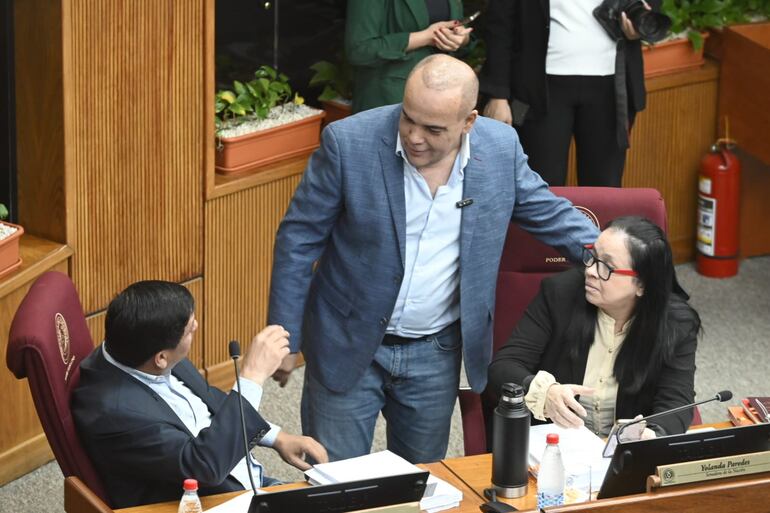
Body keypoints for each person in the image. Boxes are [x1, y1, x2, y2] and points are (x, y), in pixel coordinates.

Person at [267, 54, 600, 464]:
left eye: (433, 128)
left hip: (435, 350)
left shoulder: (500, 149)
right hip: (347, 339)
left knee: (419, 481)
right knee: (334, 480)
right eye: (408, 118)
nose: (414, 136)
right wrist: (284, 335)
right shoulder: (348, 143)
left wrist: (612, 258)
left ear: (469, 122)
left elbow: (549, 213)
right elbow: (299, 239)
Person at [72, 281, 327, 509]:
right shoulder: (117, 414)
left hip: (242, 478)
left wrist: (277, 437)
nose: (194, 325)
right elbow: (204, 467)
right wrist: (252, 376)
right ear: (161, 358)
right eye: (189, 329)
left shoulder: (134, 346)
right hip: (215, 500)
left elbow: (207, 399)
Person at [488, 216, 701, 439]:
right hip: (553, 443)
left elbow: (677, 402)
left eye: (606, 266)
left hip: (621, 451)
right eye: (592, 256)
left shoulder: (676, 323)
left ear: (642, 284)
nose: (590, 270)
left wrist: (651, 433)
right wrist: (546, 391)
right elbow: (504, 367)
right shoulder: (560, 294)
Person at [480, 0, 660, 186]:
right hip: (536, 89)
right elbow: (499, 24)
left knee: (605, 187)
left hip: (612, 88)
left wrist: (641, 21)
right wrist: (498, 95)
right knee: (541, 187)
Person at [345, 0, 473, 113]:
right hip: (389, 101)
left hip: (439, 98)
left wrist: (461, 37)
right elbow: (359, 50)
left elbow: (458, 26)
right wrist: (426, 37)